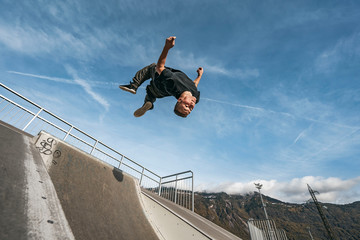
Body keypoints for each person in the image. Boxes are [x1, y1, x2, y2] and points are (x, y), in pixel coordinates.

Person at [119, 36, 203, 118]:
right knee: (151, 93)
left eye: (187, 106)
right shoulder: (195, 96)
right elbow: (194, 84)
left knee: (152, 67)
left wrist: (167, 47)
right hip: (162, 92)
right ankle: (149, 103)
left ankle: (134, 86)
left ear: (180, 100)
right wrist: (199, 75)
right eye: (191, 108)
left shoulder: (173, 81)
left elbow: (159, 67)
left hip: (159, 84)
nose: (191, 105)